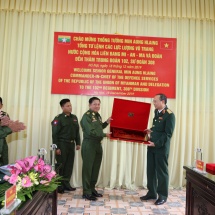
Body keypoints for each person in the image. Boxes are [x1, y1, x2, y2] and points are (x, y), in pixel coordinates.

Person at [140, 93, 175, 205]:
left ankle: (163, 196)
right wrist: (150, 130)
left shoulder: (170, 115)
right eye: (153, 101)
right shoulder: (157, 112)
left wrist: (156, 144)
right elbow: (157, 128)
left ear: (163, 102)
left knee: (161, 172)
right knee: (151, 171)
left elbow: (167, 134)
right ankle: (152, 192)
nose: (153, 103)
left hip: (160, 148)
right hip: (152, 146)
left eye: (155, 101)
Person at [81, 97, 112, 201]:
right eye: (95, 104)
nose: (97, 106)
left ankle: (92, 188)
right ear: (90, 105)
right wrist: (104, 135)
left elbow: (98, 128)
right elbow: (91, 132)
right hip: (89, 144)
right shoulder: (87, 116)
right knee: (88, 169)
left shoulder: (97, 116)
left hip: (97, 145)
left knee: (95, 168)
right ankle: (86, 192)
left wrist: (107, 122)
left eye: (98, 104)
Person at [51, 98, 80, 194]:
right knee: (61, 165)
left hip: (71, 144)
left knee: (69, 165)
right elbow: (54, 134)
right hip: (62, 144)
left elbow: (77, 131)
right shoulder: (58, 118)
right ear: (62, 107)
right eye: (67, 106)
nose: (70, 107)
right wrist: (56, 147)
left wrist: (78, 143)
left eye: (70, 105)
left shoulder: (74, 117)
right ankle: (59, 185)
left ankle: (66, 183)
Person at [0, 97, 26, 165]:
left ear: (1, 105)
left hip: (2, 144)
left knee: (3, 166)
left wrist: (12, 128)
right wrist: (11, 128)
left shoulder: (4, 115)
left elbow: (6, 129)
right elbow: (7, 130)